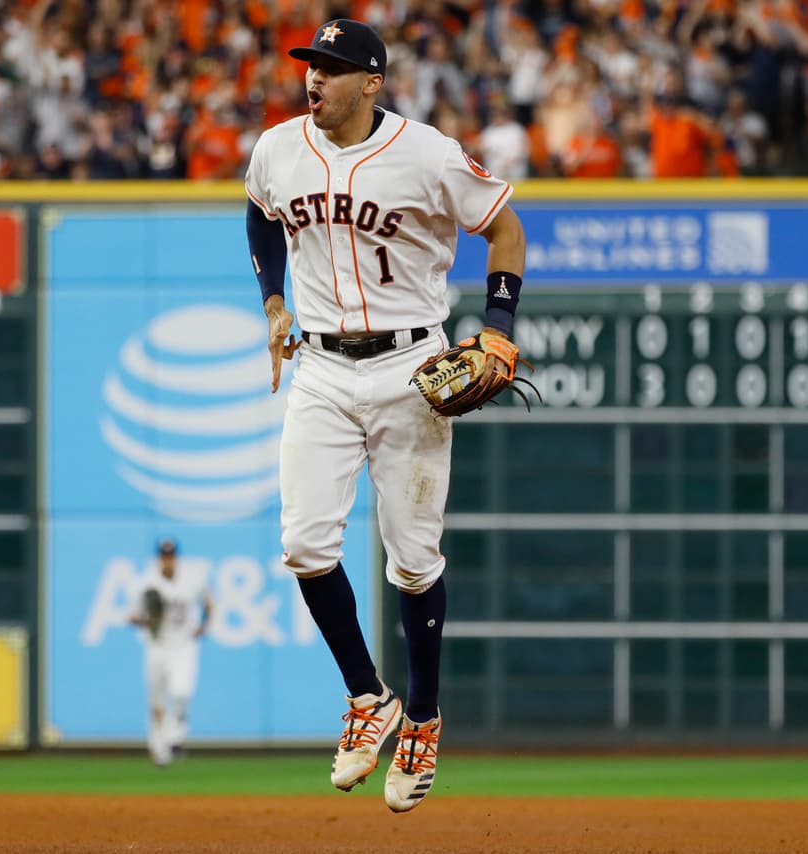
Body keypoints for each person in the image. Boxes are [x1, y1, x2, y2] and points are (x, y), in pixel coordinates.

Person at [242, 18, 527, 813]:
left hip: (410, 365)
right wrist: (272, 299)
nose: (315, 79)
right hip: (322, 366)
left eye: (333, 69)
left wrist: (499, 328)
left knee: (412, 559)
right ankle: (370, 699)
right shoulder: (277, 149)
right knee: (303, 544)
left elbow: (503, 226)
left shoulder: (428, 153)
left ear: (372, 82)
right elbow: (261, 213)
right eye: (311, 65)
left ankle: (426, 718)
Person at [128, 538, 211, 767]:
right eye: (164, 556)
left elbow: (208, 603)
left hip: (184, 645)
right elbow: (132, 616)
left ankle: (176, 737)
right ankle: (158, 747)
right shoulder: (146, 583)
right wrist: (147, 619)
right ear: (159, 558)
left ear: (176, 557)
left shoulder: (192, 579)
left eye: (171, 555)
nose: (168, 560)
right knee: (157, 699)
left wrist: (205, 625)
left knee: (182, 692)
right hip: (158, 645)